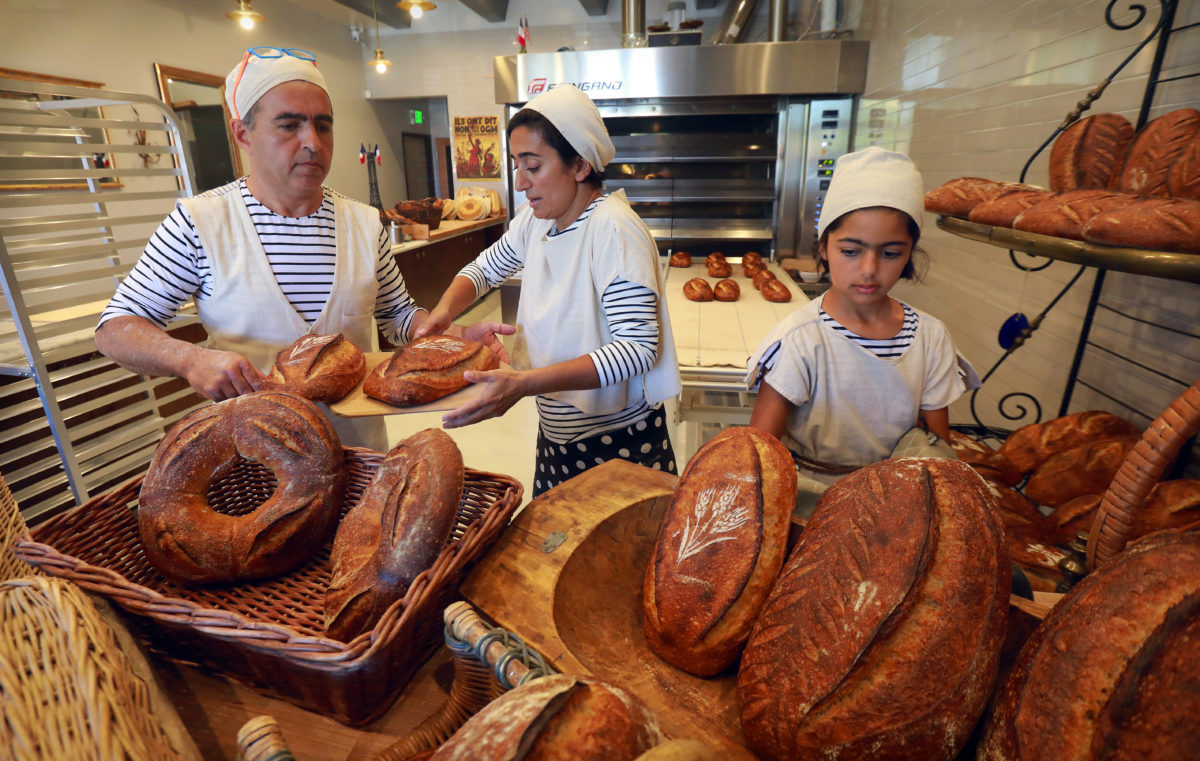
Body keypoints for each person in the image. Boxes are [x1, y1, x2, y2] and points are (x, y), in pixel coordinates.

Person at [94, 46, 510, 451]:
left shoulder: (364, 224)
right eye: (289, 125)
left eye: (323, 125)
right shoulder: (200, 223)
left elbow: (398, 317)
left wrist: (454, 337)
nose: (312, 141)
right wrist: (189, 361)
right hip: (256, 461)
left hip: (360, 452)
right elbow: (115, 329)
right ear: (244, 134)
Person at [415, 84, 681, 496]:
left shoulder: (612, 227)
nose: (520, 182)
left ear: (580, 165)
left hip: (619, 442)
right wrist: (445, 312)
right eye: (516, 164)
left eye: (533, 166)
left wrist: (525, 382)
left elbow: (637, 349)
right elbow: (485, 269)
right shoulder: (536, 220)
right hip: (557, 433)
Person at [745, 146, 979, 514]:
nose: (869, 270)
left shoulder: (930, 339)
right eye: (851, 251)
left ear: (910, 253)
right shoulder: (802, 340)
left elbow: (936, 454)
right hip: (809, 504)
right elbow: (758, 452)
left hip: (897, 507)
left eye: (890, 254)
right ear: (824, 247)